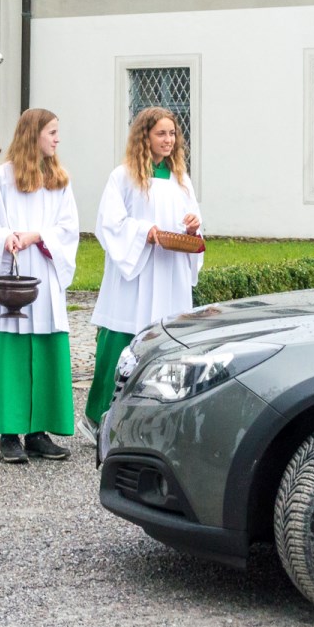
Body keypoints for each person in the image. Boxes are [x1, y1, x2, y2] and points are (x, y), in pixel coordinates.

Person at [78, 106, 204, 444]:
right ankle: (99, 418)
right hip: (134, 275)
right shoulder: (124, 177)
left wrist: (193, 227)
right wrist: (145, 232)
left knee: (166, 346)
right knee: (121, 343)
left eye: (173, 134)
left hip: (170, 273)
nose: (168, 140)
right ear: (144, 136)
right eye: (161, 133)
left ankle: (153, 421)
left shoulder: (181, 180)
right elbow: (109, 224)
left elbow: (193, 225)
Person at [0, 109, 80, 463]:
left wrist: (39, 235)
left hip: (46, 275)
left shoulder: (59, 179)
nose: (57, 138)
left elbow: (69, 229)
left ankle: (39, 432)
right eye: (51, 132)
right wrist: (7, 237)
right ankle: (9, 433)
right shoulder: (2, 178)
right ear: (32, 134)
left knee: (46, 349)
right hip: (15, 277)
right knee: (13, 351)